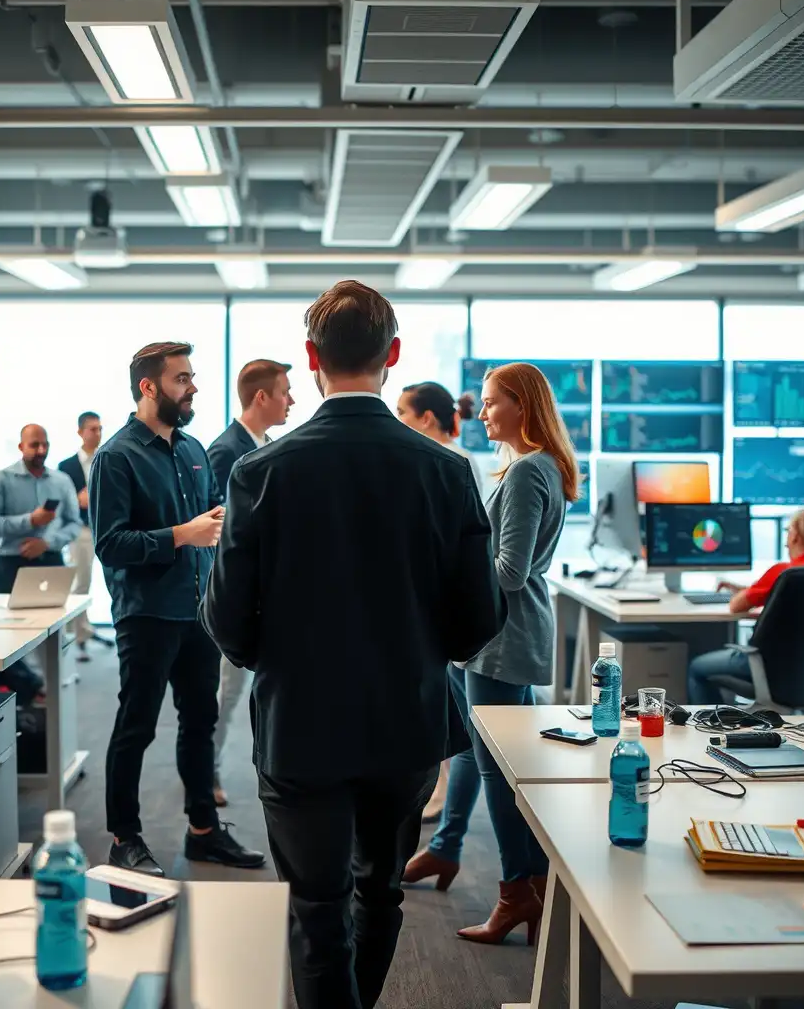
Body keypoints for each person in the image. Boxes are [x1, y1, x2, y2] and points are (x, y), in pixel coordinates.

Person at [201, 280, 503, 1009]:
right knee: (381, 893)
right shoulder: (446, 472)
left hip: (300, 725)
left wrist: (279, 658)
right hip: (406, 723)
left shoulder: (261, 471)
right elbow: (479, 617)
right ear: (392, 356)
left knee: (315, 907)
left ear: (310, 359)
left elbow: (227, 619)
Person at [404, 362, 580, 947]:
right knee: (486, 758)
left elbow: (509, 571)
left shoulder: (530, 471)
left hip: (501, 639)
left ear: (522, 407)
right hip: (499, 638)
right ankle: (474, 859)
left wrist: (448, 565)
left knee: (499, 774)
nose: (479, 413)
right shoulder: (532, 467)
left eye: (491, 402)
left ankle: (515, 892)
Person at [89, 341, 266, 877]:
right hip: (146, 615)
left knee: (200, 723)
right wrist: (180, 535)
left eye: (191, 378)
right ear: (149, 387)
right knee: (135, 727)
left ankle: (203, 831)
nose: (192, 388)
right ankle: (125, 838)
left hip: (198, 614)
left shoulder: (191, 450)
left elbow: (211, 524)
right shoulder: (116, 457)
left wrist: (215, 529)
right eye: (182, 379)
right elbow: (111, 544)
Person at [206, 359, 294, 807]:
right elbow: (223, 533)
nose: (291, 400)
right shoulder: (226, 451)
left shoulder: (265, 444)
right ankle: (206, 774)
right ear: (261, 397)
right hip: (237, 595)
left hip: (265, 593)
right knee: (223, 692)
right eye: (284, 392)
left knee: (242, 691)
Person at [396, 381, 484, 824]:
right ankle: (440, 791)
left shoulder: (455, 463)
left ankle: (443, 795)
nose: (399, 423)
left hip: (444, 606)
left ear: (426, 418)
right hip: (435, 602)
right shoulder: (435, 462)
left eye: (404, 414)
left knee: (450, 708)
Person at [0, 424, 84, 706]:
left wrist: (47, 543)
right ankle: (28, 689)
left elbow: (75, 524)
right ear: (21, 447)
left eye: (45, 444)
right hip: (12, 564)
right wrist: (30, 521)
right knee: (11, 635)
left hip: (51, 560)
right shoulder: (0, 480)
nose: (41, 450)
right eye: (34, 445)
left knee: (55, 629)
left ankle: (55, 687)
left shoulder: (61, 481)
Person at [687, 508, 804, 705]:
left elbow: (736, 606)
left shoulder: (783, 572)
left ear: (796, 536)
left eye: (788, 530)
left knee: (696, 668)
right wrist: (744, 588)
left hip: (766, 667)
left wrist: (742, 594)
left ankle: (711, 726)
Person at [58, 411, 114, 662]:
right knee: (81, 583)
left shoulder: (110, 459)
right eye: (93, 429)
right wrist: (78, 500)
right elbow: (65, 503)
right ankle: (78, 635)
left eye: (100, 428)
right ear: (81, 432)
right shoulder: (66, 467)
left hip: (109, 529)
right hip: (81, 530)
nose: (98, 433)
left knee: (114, 579)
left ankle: (88, 629)